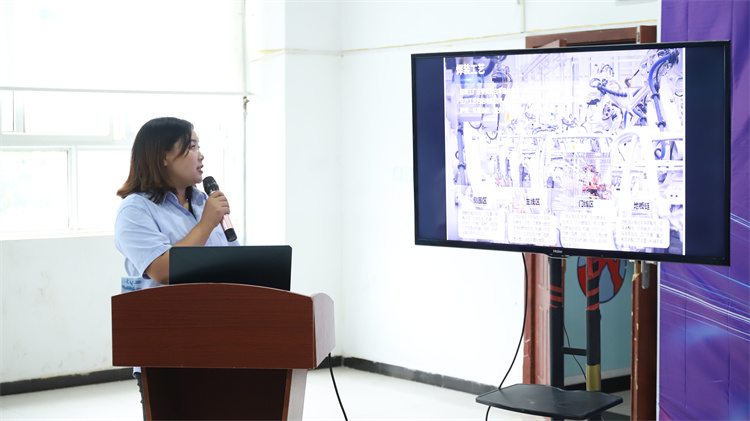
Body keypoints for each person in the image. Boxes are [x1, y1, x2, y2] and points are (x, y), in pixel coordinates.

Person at [113, 116, 238, 419]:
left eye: (199, 146)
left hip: (219, 338)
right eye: (192, 147)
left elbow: (233, 265)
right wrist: (206, 224)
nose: (201, 155)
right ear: (164, 156)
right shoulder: (136, 209)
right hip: (166, 343)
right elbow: (162, 269)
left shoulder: (204, 203)